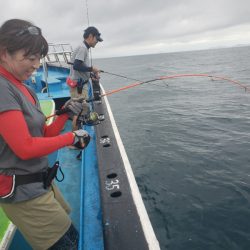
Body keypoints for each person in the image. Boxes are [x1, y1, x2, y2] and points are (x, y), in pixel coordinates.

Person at [0, 19, 90, 250]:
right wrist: (72, 137)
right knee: (67, 243)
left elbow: (44, 135)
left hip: (40, 183)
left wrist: (63, 113)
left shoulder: (25, 88)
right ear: (4, 53)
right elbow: (26, 147)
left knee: (70, 237)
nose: (36, 65)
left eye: (39, 58)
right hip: (22, 193)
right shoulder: (2, 88)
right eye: (30, 58)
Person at [67, 26, 103, 130]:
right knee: (78, 111)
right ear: (91, 37)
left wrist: (90, 74)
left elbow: (79, 67)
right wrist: (92, 69)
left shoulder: (83, 48)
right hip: (79, 87)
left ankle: (78, 132)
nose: (97, 42)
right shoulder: (83, 48)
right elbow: (77, 66)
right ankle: (76, 136)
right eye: (97, 39)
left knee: (79, 109)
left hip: (80, 84)